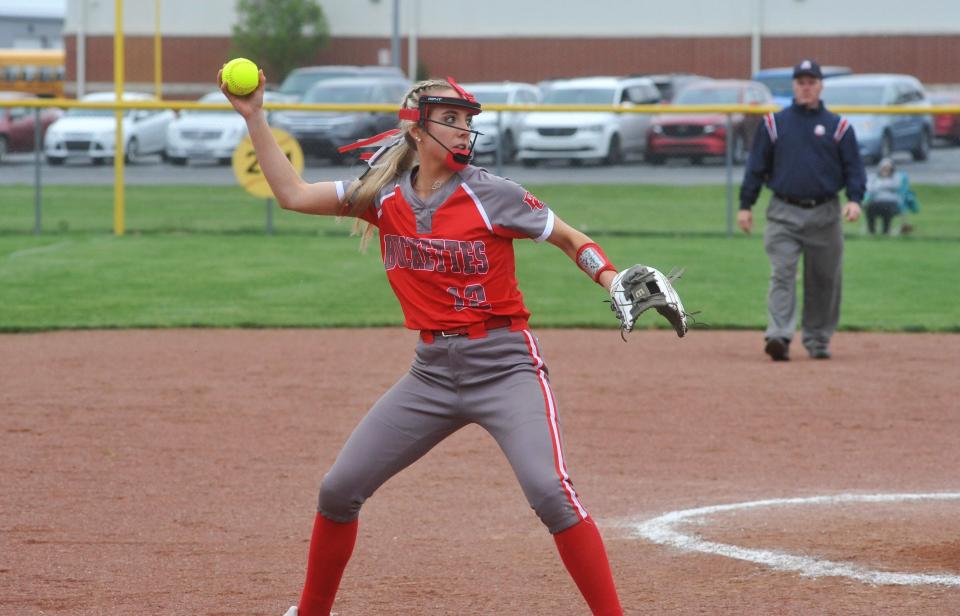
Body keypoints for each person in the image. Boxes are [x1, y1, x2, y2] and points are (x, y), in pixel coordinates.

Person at [221, 69, 630, 615]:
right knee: (338, 491)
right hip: (431, 374)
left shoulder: (492, 195)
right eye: (451, 121)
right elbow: (293, 194)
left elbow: (569, 238)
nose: (464, 132)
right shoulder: (383, 198)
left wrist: (610, 276)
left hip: (505, 367)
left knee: (551, 494)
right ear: (417, 128)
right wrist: (254, 116)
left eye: (468, 122)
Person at [738, 59, 866, 361]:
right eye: (801, 82)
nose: (806, 87)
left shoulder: (839, 127)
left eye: (811, 82)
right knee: (782, 273)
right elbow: (756, 167)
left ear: (820, 86)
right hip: (783, 211)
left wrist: (855, 199)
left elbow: (854, 169)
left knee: (824, 279)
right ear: (794, 86)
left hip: (825, 213)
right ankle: (779, 335)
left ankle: (818, 339)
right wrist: (746, 205)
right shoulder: (774, 124)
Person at [864, 157, 918, 235]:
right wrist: (883, 186)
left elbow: (896, 186)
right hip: (876, 202)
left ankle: (885, 231)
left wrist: (879, 186)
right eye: (884, 168)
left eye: (888, 168)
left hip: (891, 202)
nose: (886, 170)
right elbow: (869, 189)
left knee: (887, 209)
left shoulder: (897, 177)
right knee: (869, 208)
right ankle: (872, 232)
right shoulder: (873, 177)